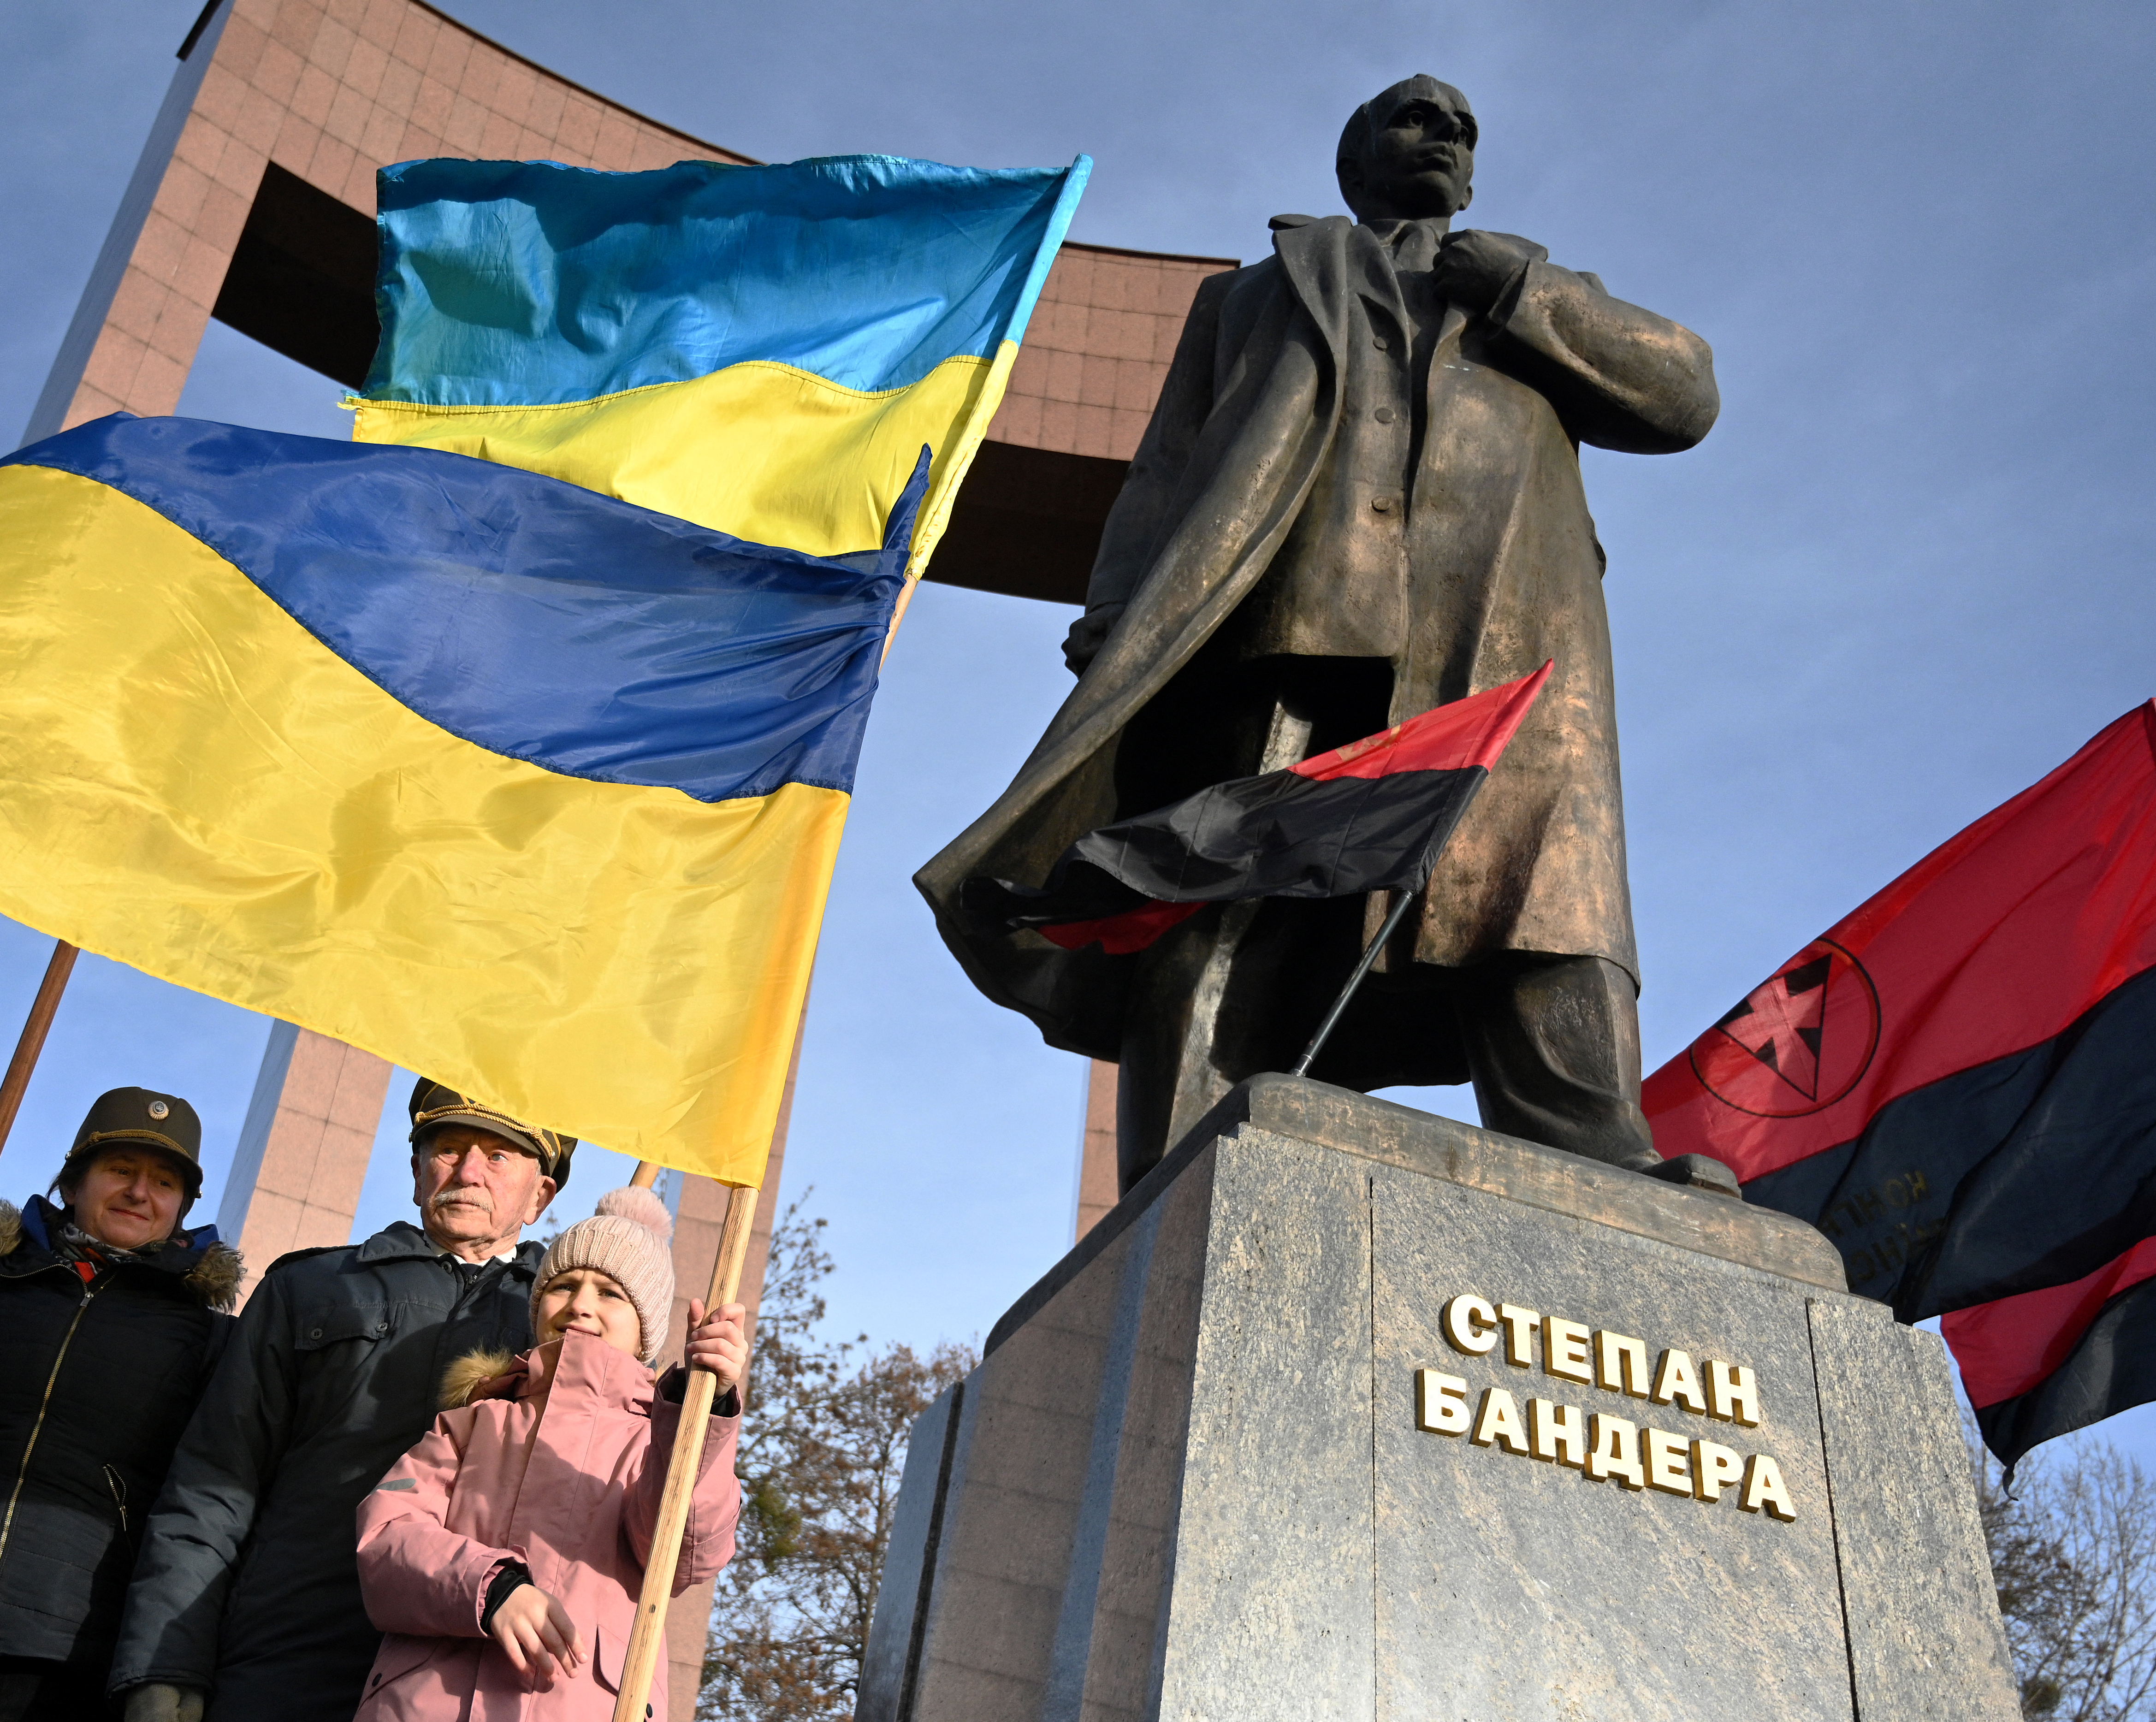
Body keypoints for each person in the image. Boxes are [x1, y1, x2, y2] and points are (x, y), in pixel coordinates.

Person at [918, 74, 1720, 1192]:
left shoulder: (1532, 286)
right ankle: (1186, 1140)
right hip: (1286, 614)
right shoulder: (1249, 295)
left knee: (1537, 879)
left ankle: (1585, 1134)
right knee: (1221, 876)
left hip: (1501, 618)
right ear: (1354, 158)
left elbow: (1683, 395)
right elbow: (1167, 466)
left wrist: (1523, 290)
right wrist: (1112, 610)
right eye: (1415, 118)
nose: (1444, 136)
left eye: (1462, 129)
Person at [113, 1082, 573, 1722]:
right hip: (285, 1662)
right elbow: (214, 1484)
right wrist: (166, 1664)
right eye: (448, 1149)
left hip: (475, 1681)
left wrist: (701, 1401)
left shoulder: (574, 1326)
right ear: (416, 1172)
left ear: (540, 1195)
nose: (468, 1172)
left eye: (498, 1156)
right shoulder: (308, 1286)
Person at [350, 1187, 743, 1720]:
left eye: (611, 1293)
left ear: (646, 1332)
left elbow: (682, 1550)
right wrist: (491, 1587)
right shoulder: (472, 1424)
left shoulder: (657, 1441)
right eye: (563, 1285)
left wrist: (704, 1406)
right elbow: (387, 1537)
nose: (580, 1304)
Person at [0, 1089, 240, 1722]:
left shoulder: (209, 1340)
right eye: (121, 1169)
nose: (139, 1192)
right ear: (72, 1182)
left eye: (164, 1182)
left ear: (182, 1209)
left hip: (66, 1647)